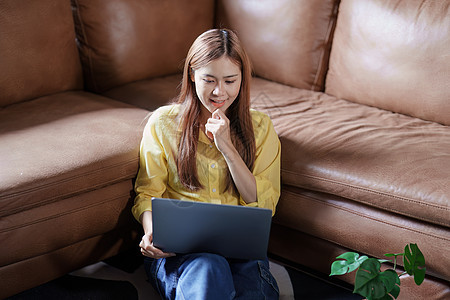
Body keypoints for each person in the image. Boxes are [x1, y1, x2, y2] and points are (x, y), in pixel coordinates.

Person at [132, 28, 281, 299]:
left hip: (241, 255)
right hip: (181, 254)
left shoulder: (261, 128)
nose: (219, 92)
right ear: (192, 74)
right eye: (209, 79)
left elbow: (264, 204)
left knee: (253, 292)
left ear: (242, 80)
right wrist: (153, 235)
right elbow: (147, 194)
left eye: (230, 80)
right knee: (208, 273)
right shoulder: (163, 123)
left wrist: (227, 147)